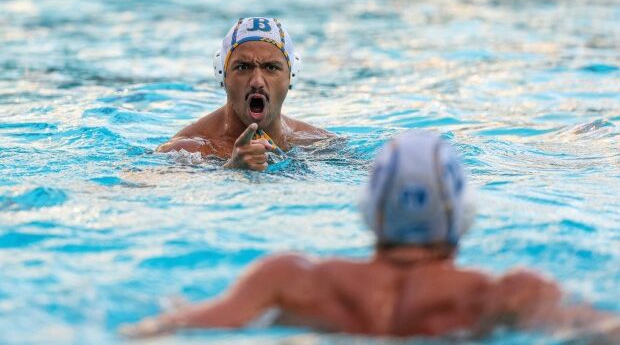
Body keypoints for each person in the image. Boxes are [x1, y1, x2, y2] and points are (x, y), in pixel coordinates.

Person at [121, 131, 619, 341]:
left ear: (370, 209)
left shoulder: (292, 280)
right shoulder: (504, 294)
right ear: (462, 214)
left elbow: (162, 332)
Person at [157, 17, 332, 171]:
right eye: (243, 67)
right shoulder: (186, 150)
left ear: (291, 76)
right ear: (222, 75)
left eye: (271, 67)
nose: (257, 81)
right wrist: (230, 169)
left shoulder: (318, 142)